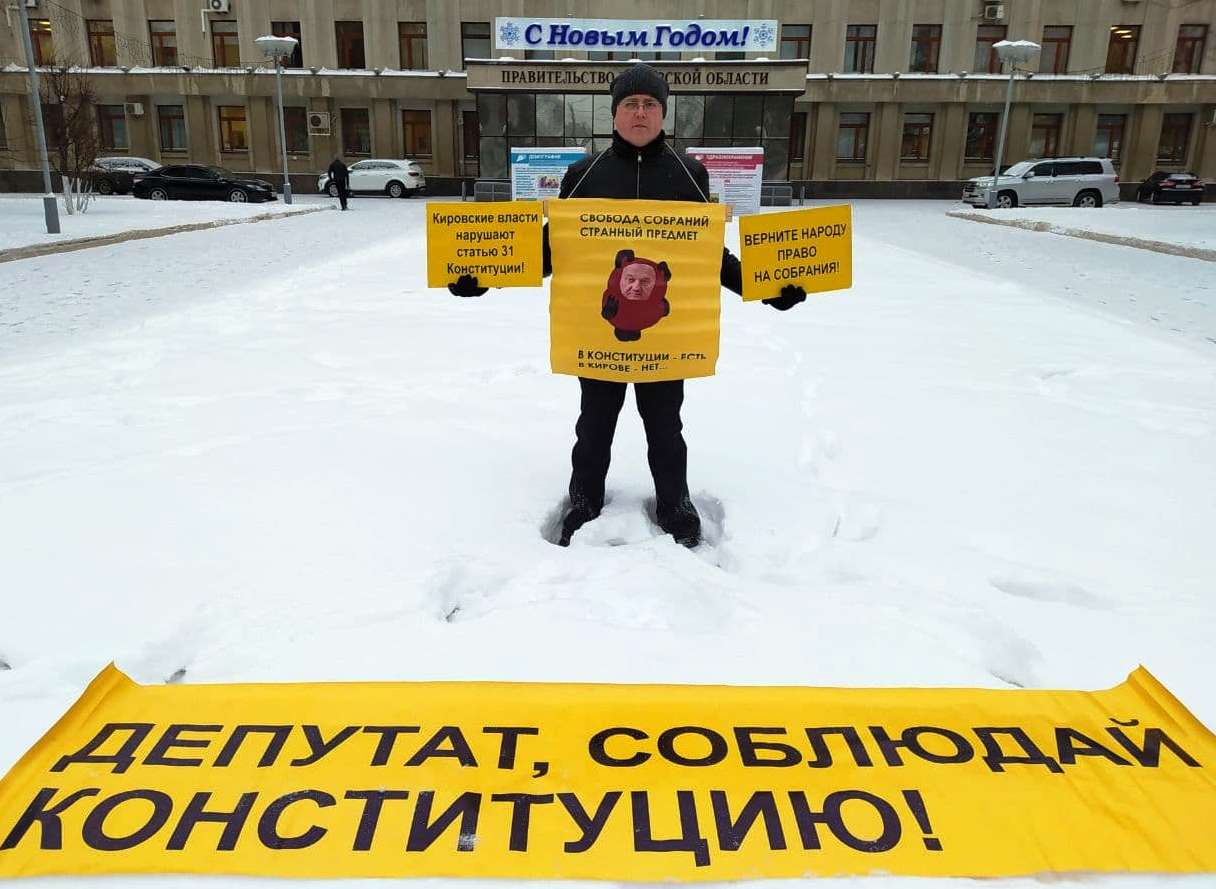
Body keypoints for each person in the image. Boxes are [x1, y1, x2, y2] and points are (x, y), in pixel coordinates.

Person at [450, 64, 806, 548]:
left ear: (663, 113)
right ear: (615, 113)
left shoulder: (689, 174)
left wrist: (766, 287)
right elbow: (553, 248)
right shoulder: (584, 174)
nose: (641, 112)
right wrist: (485, 275)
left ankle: (675, 502)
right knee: (594, 424)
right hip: (598, 332)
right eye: (631, 104)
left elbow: (706, 255)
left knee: (666, 426)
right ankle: (584, 500)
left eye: (650, 104)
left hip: (667, 337)